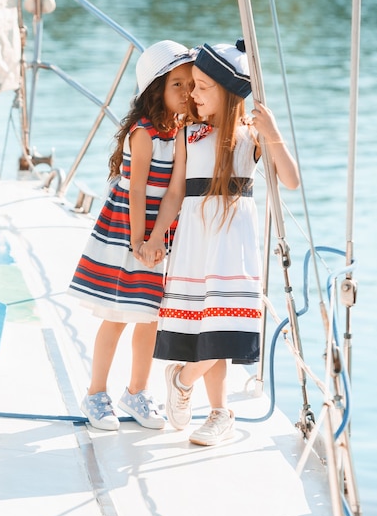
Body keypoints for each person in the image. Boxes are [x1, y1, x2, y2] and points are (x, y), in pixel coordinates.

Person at [140, 39, 299, 446]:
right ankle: (219, 412)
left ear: (228, 93)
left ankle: (183, 377)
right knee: (208, 330)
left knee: (229, 326)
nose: (192, 94)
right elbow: (175, 192)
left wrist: (273, 131)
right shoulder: (188, 133)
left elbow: (292, 180)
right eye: (190, 85)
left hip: (236, 244)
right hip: (195, 240)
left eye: (201, 87)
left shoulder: (251, 134)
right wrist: (156, 236)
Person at [69, 40, 196, 431]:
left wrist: (158, 239)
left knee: (150, 317)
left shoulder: (180, 132)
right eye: (178, 84)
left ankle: (137, 391)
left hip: (159, 233)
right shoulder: (142, 133)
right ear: (155, 90)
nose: (187, 93)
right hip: (127, 228)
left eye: (190, 85)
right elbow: (137, 189)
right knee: (118, 315)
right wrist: (140, 241)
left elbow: (175, 191)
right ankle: (95, 393)